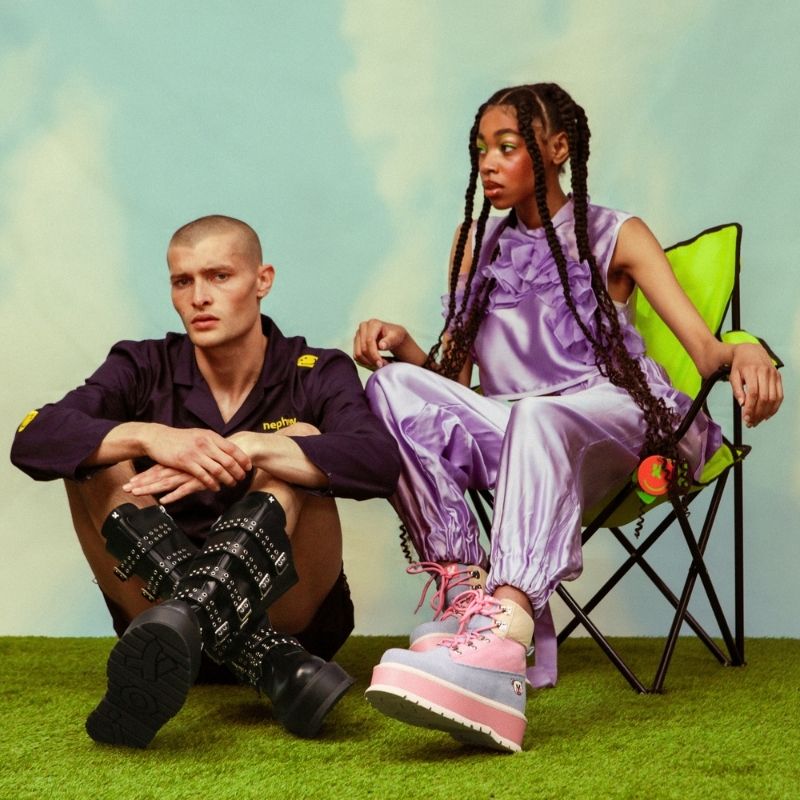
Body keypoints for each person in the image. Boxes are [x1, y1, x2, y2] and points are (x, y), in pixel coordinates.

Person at [353, 83, 783, 753]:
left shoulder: (617, 234)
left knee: (539, 414)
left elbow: (707, 353)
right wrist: (405, 348)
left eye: (507, 146)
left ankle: (504, 640)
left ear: (557, 149)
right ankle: (468, 593)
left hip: (618, 423)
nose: (488, 163)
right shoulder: (474, 244)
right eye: (481, 149)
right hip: (521, 433)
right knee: (393, 388)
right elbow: (452, 390)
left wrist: (751, 348)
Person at [11, 214, 401, 748]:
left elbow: (379, 461)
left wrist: (251, 446)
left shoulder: (315, 368)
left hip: (290, 618)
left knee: (300, 439)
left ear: (262, 280)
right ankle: (267, 661)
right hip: (173, 632)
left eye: (219, 276)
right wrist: (148, 437)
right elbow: (32, 439)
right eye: (182, 281)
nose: (199, 297)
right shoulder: (141, 363)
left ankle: (194, 615)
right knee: (94, 453)